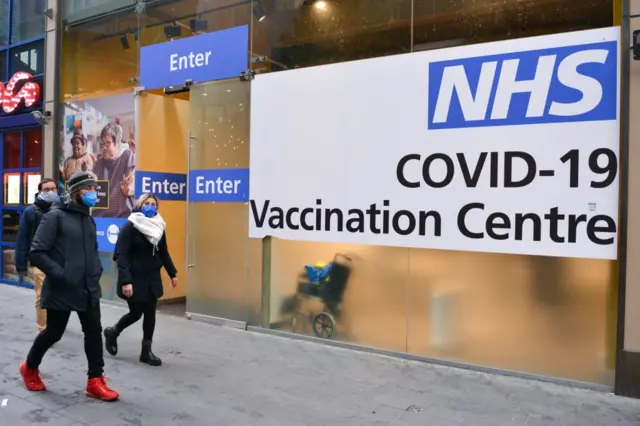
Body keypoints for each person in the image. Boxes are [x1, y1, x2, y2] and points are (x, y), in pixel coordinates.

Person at [19, 171, 119, 402]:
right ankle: (29, 367)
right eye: (88, 189)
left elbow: (91, 250)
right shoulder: (55, 216)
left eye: (94, 189)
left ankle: (95, 380)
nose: (93, 193)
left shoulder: (88, 218)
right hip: (63, 287)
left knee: (94, 333)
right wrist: (61, 274)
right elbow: (37, 252)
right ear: (75, 192)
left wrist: (96, 271)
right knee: (53, 333)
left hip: (88, 287)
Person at [104, 193, 177, 367]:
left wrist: (172, 273)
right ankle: (113, 332)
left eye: (153, 204)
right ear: (140, 205)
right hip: (134, 276)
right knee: (136, 312)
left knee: (150, 313)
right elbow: (121, 255)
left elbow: (163, 251)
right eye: (147, 203)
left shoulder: (159, 226)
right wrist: (125, 281)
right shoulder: (131, 225)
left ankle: (146, 352)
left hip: (152, 277)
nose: (150, 206)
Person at [16, 178, 59, 333]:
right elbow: (23, 238)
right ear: (40, 191)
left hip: (59, 260)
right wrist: (20, 265)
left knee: (58, 295)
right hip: (39, 261)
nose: (51, 192)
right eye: (47, 189)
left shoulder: (61, 208)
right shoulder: (31, 211)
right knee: (42, 295)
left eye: (53, 189)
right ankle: (44, 329)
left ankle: (54, 322)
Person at [92, 120, 136, 219]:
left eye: (108, 144)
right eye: (102, 144)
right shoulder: (99, 163)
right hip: (101, 219)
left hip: (122, 218)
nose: (104, 148)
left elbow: (132, 184)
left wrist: (128, 190)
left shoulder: (127, 156)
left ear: (117, 143)